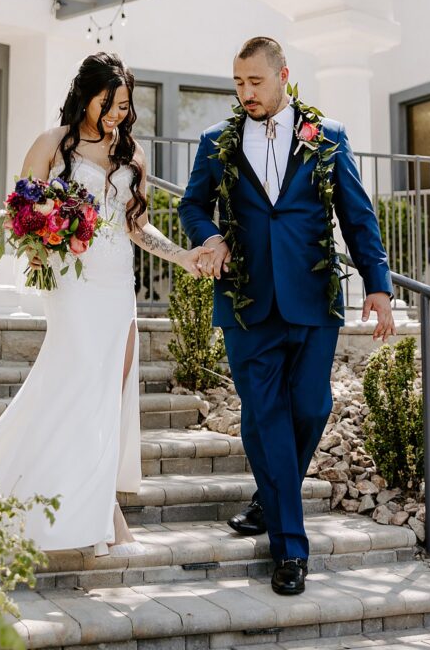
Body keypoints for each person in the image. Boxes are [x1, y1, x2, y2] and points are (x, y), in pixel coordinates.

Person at [0, 52, 212, 556]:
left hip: (116, 287)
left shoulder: (130, 151)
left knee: (109, 394)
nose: (115, 116)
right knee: (81, 384)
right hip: (74, 286)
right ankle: (101, 513)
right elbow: (17, 211)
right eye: (107, 104)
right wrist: (45, 242)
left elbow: (136, 226)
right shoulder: (51, 144)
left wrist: (183, 256)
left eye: (123, 106)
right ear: (85, 96)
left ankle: (95, 504)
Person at [178, 36, 396, 595]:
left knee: (311, 405)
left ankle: (268, 497)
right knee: (265, 413)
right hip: (246, 301)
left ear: (282, 76)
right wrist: (210, 238)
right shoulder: (216, 142)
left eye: (255, 81)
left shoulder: (326, 136)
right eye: (238, 83)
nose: (245, 92)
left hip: (314, 295)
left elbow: (356, 212)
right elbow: (192, 204)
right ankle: (290, 549)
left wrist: (377, 284)